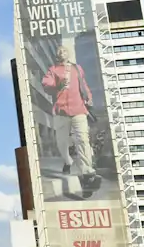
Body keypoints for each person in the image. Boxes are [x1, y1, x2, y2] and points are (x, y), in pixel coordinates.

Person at [41, 43, 102, 198]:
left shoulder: (76, 68)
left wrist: (89, 97)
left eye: (64, 50)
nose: (62, 52)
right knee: (62, 142)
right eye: (59, 51)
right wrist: (57, 84)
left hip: (79, 109)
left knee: (82, 140)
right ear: (57, 55)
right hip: (61, 111)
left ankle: (87, 174)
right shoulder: (53, 70)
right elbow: (46, 84)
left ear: (68, 54)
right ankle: (68, 162)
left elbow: (83, 84)